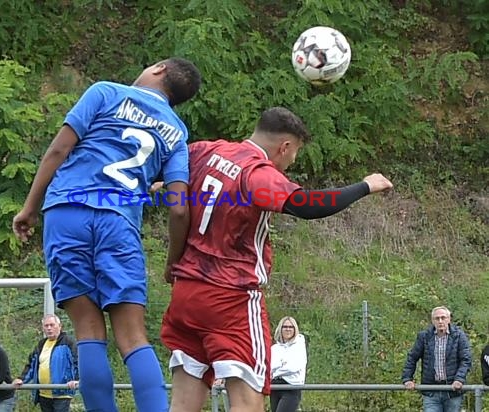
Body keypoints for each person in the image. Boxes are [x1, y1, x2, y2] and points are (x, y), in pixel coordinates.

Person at [160, 106, 394, 412]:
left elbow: (172, 177)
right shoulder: (257, 174)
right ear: (284, 146)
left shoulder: (207, 151)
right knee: (248, 401)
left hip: (186, 292)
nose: (292, 160)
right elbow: (306, 204)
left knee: (182, 403)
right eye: (295, 152)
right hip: (230, 298)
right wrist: (365, 186)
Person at [12, 57, 201, 412]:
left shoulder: (106, 92)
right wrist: (173, 261)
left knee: (87, 329)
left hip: (68, 211)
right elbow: (178, 207)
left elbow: (58, 149)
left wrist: (29, 209)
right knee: (131, 335)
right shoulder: (176, 131)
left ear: (159, 68)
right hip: (119, 223)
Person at [402, 306, 472, 412]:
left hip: (452, 391)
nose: (440, 321)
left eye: (443, 318)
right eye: (437, 318)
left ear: (449, 319)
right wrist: (407, 379)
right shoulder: (424, 337)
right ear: (432, 320)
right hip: (431, 391)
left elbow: (466, 360)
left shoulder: (459, 336)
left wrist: (459, 379)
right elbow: (412, 358)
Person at [12, 314, 79, 411]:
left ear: (60, 326)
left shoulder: (69, 342)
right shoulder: (41, 344)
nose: (49, 328)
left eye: (52, 325)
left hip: (62, 393)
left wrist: (76, 380)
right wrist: (21, 379)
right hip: (43, 394)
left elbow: (77, 362)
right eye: (46, 326)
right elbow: (32, 364)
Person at [270, 316, 307, 412]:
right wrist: (281, 365)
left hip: (291, 387)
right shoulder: (275, 348)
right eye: (285, 327)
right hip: (275, 387)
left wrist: (277, 371)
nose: (288, 329)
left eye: (291, 327)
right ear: (280, 329)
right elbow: (270, 366)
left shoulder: (299, 346)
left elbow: (293, 367)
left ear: (295, 329)